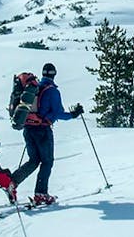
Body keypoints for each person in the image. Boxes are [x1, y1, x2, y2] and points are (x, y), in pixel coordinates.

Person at [10, 62, 83, 205]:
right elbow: (58, 113)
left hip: (28, 128)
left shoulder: (34, 88)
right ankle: (41, 193)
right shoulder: (52, 91)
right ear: (54, 74)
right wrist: (73, 114)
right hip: (42, 130)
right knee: (47, 161)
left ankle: (11, 182)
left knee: (34, 160)